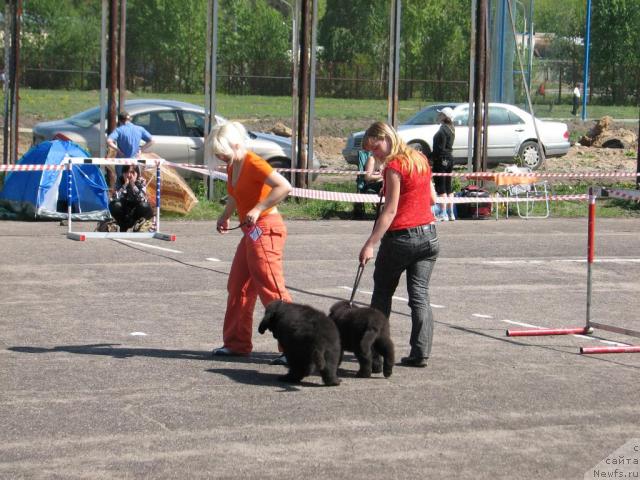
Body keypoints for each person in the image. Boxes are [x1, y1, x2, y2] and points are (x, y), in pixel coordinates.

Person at [209, 121, 293, 362]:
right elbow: (236, 196)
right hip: (251, 232)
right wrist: (224, 216)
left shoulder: (254, 162)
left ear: (236, 145)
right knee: (238, 286)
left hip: (266, 229)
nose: (220, 158)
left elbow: (284, 187)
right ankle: (236, 343)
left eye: (222, 153)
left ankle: (294, 346)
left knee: (272, 288)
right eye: (217, 154)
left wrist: (258, 209)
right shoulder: (232, 165)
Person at [358, 121, 439, 368]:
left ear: (387, 137)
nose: (375, 154)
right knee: (420, 296)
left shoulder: (394, 166)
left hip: (401, 239)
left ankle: (375, 355)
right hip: (429, 237)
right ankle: (420, 352)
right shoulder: (419, 158)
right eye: (372, 151)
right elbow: (433, 198)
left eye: (376, 147)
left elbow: (390, 211)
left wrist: (370, 243)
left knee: (382, 294)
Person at [107, 111, 154, 186]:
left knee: (121, 182)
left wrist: (118, 150)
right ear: (130, 119)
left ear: (119, 120)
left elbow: (109, 141)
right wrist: (140, 149)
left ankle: (120, 196)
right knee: (136, 182)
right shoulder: (139, 129)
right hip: (135, 161)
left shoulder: (119, 130)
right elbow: (151, 141)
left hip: (121, 161)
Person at [108, 164, 154, 232]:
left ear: (137, 173)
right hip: (125, 211)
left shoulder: (141, 181)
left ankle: (139, 225)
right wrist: (125, 185)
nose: (129, 175)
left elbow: (142, 198)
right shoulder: (119, 181)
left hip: (136, 210)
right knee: (114, 204)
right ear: (123, 173)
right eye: (126, 172)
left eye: (132, 172)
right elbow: (114, 198)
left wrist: (133, 185)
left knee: (144, 206)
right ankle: (121, 225)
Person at [431, 107, 456, 221]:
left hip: (441, 160)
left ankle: (443, 213)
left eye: (441, 114)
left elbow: (439, 149)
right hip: (449, 159)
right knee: (448, 186)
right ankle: (451, 213)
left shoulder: (442, 131)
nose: (439, 116)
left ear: (445, 117)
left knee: (441, 186)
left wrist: (429, 157)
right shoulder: (451, 129)